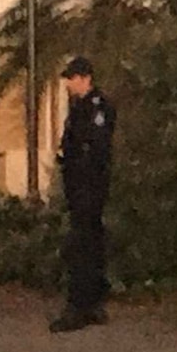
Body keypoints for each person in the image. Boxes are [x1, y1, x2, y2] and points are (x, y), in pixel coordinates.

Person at [50, 57, 116, 333]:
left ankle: (82, 304)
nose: (68, 83)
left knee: (84, 244)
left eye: (72, 78)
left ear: (85, 78)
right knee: (86, 242)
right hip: (78, 185)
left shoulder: (98, 107)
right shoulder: (78, 108)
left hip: (89, 184)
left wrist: (75, 161)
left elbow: (94, 147)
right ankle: (89, 301)